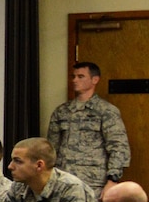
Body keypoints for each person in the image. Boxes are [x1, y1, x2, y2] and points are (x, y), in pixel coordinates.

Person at [47, 61, 131, 191]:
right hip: (63, 180)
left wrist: (113, 180)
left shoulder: (106, 111)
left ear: (95, 80)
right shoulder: (62, 111)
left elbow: (118, 147)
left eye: (80, 77)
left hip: (93, 182)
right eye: (73, 76)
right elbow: (51, 148)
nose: (75, 80)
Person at [5, 138, 104, 202]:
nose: (10, 166)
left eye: (18, 161)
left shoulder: (70, 188)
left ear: (39, 165)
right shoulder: (18, 187)